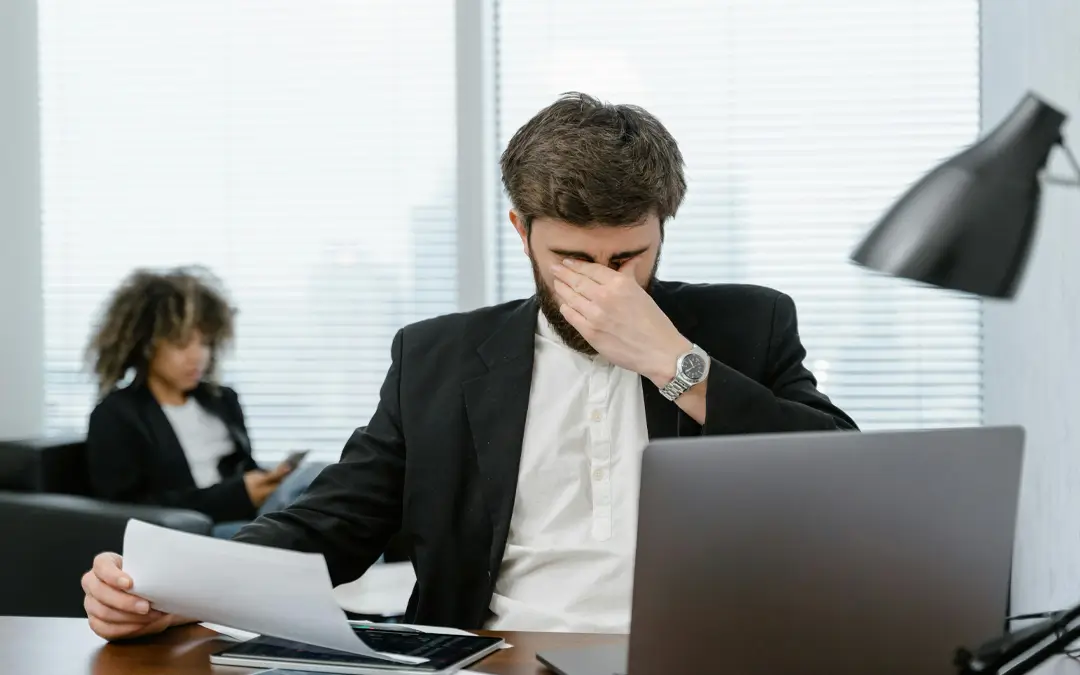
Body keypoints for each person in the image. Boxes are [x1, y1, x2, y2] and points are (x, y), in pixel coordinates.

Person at [81, 92, 857, 640]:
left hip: (692, 655)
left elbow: (844, 485)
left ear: (664, 226)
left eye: (630, 257)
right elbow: (334, 523)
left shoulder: (747, 323)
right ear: (522, 232)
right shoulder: (436, 357)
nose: (605, 285)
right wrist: (181, 590)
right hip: (494, 654)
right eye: (572, 260)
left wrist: (672, 360)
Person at [82, 266, 323, 539]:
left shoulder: (222, 400)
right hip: (204, 532)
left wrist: (267, 480)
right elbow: (131, 510)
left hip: (253, 517)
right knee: (319, 503)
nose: (198, 356)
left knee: (320, 481)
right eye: (183, 344)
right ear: (147, 345)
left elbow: (243, 468)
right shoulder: (116, 415)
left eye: (206, 343)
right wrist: (237, 495)